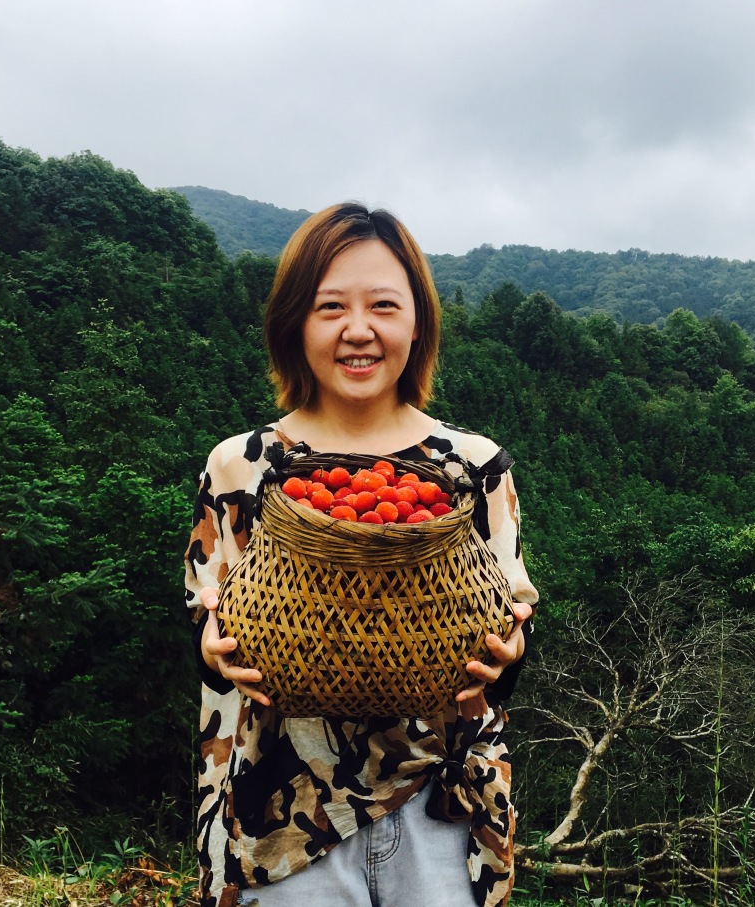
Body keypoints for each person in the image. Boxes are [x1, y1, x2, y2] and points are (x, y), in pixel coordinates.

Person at [184, 202, 538, 907]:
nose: (358, 329)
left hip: (444, 806)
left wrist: (511, 652)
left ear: (418, 321)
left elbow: (512, 616)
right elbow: (204, 618)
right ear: (295, 322)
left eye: (383, 305)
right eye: (330, 307)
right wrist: (212, 647)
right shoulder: (241, 467)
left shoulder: (472, 466)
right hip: (281, 819)